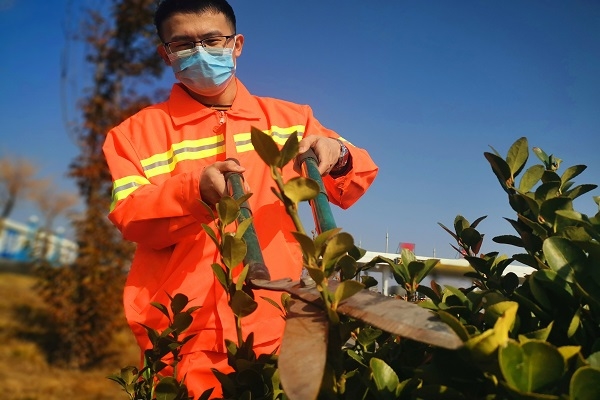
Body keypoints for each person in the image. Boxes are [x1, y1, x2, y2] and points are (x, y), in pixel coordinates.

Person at [102, 0, 378, 397]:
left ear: (237, 44)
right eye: (183, 44)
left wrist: (339, 154)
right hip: (185, 332)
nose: (200, 52)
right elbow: (132, 216)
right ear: (165, 53)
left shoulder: (291, 119)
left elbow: (356, 175)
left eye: (212, 39)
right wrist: (193, 191)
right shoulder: (133, 134)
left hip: (288, 315)